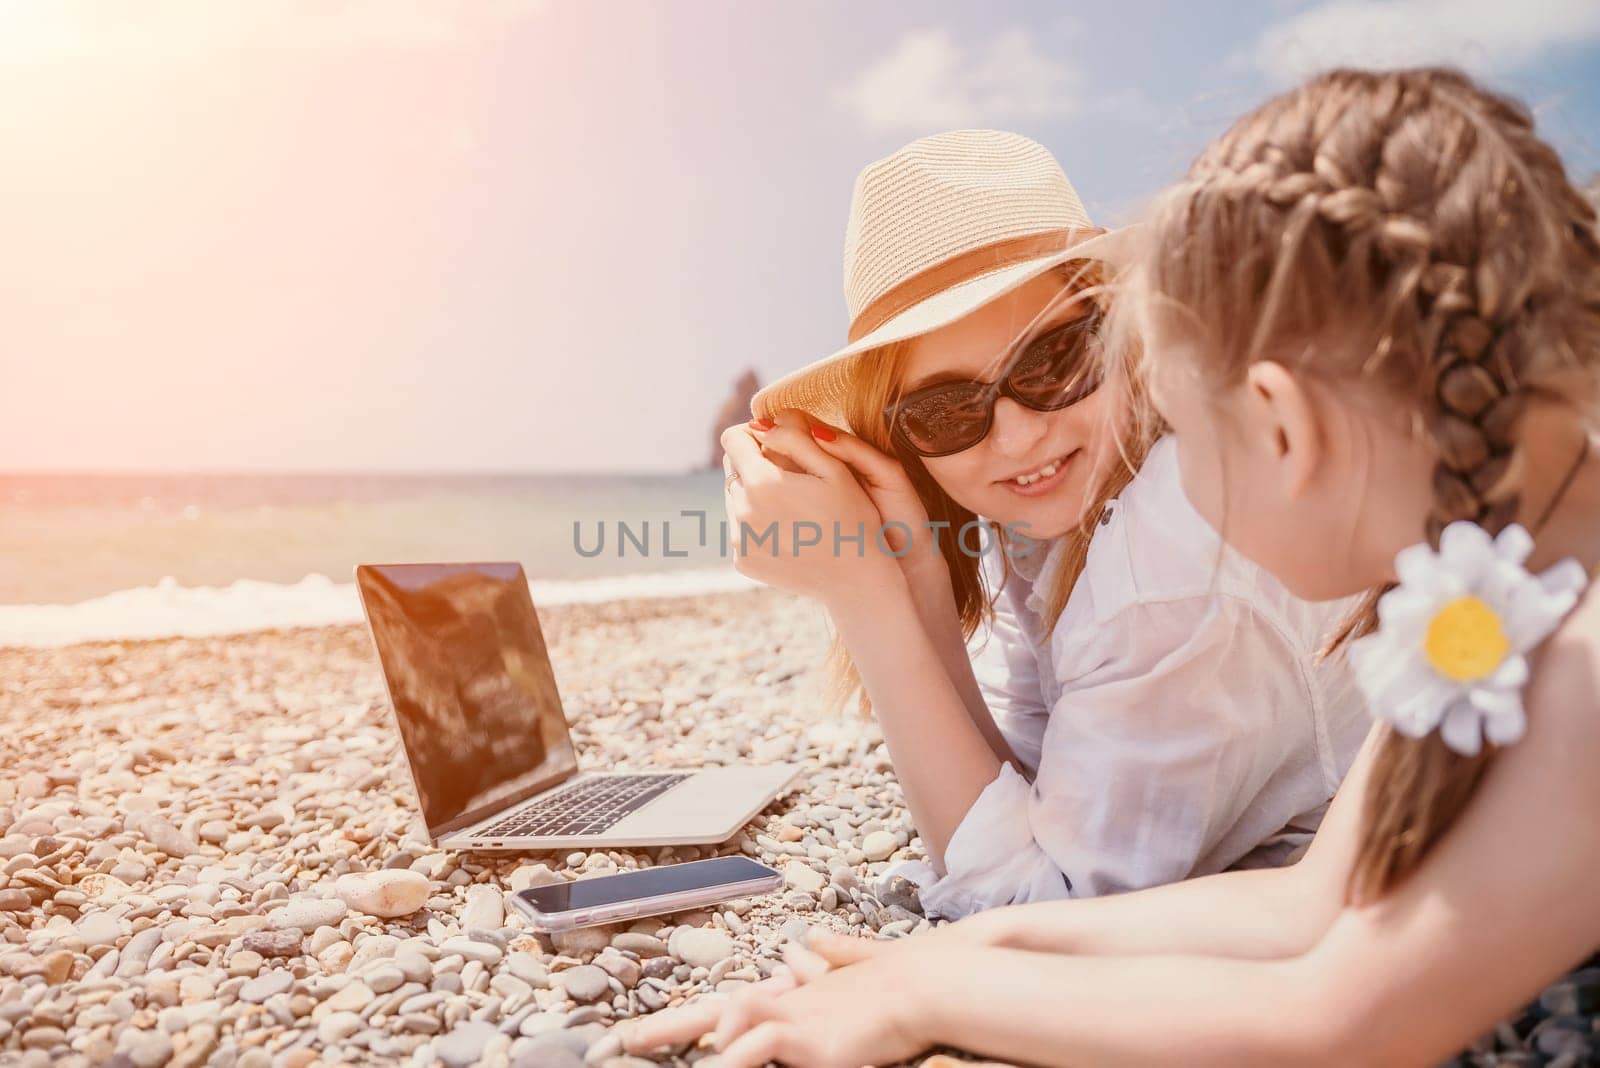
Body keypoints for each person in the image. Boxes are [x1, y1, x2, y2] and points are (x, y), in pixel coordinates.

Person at [627, 67, 1600, 1067]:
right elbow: (1311, 903)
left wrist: (940, 996)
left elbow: (1347, 1018)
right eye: (951, 412)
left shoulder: (1577, 668)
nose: (1180, 488)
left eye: (1188, 437)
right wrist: (957, 959)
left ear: (1282, 427)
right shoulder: (1483, 597)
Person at [716, 129, 1369, 918]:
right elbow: (1034, 799)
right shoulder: (1061, 522)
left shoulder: (1164, 558)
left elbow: (1041, 904)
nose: (1019, 434)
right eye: (949, 410)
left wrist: (860, 595)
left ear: (1123, 335)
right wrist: (915, 576)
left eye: (1054, 362)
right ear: (903, 441)